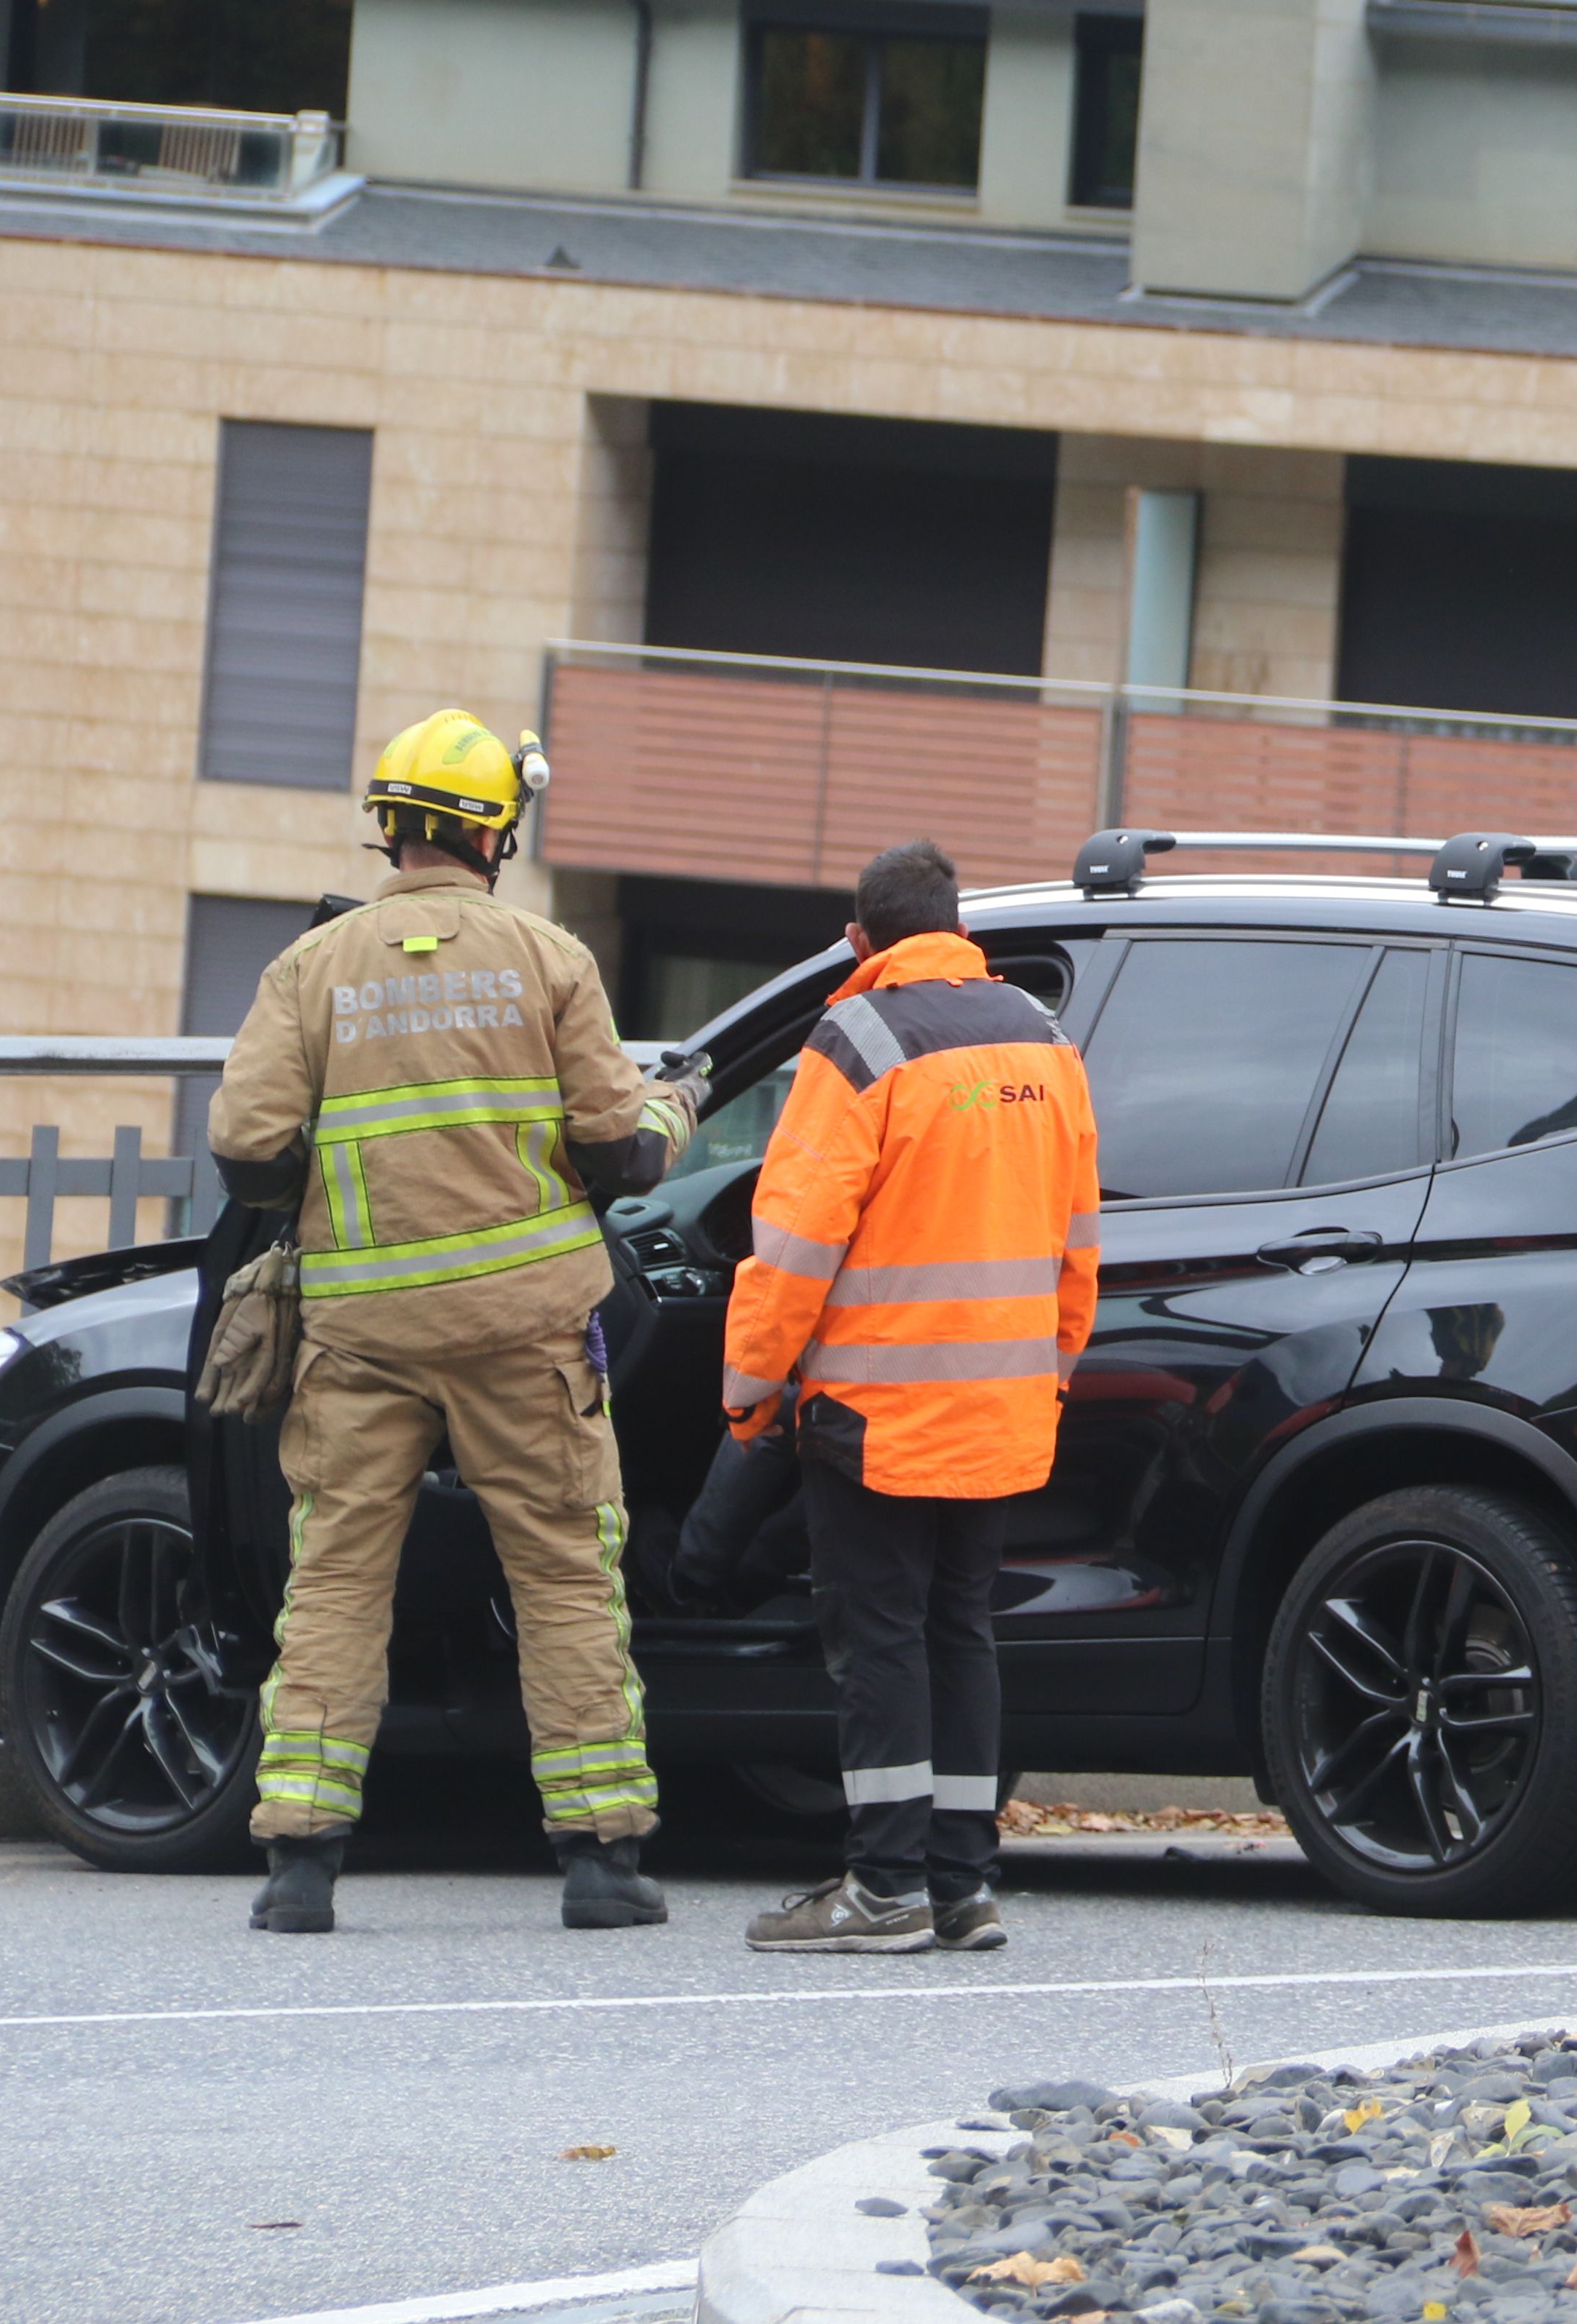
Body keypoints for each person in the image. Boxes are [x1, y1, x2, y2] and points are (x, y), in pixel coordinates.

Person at [210, 710, 694, 1934]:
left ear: (392, 823)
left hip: (361, 1331)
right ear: (494, 829)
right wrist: (674, 1112)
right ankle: (600, 1859)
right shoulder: (546, 957)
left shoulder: (309, 968)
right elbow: (615, 1149)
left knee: (334, 1577)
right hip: (527, 1329)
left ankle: (300, 1864)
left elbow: (249, 1149)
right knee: (563, 1569)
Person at [703, 838, 1099, 1954]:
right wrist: (1054, 1368)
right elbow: (1079, 1235)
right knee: (961, 1633)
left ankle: (883, 1890)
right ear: (959, 928)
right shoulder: (1043, 1040)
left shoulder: (860, 1039)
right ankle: (962, 1886)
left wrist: (751, 1392)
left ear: (858, 939)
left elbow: (792, 1242)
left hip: (877, 1412)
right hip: (1006, 1405)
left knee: (878, 1640)